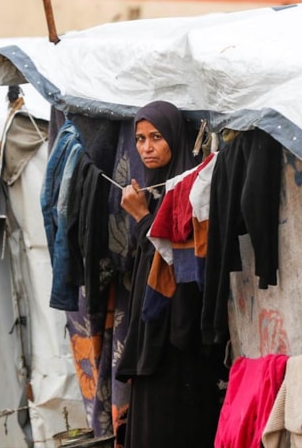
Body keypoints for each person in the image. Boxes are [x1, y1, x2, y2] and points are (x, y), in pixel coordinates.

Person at [116, 100, 226, 447]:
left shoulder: (190, 194)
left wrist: (143, 220)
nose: (146, 148)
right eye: (140, 139)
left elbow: (183, 269)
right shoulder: (153, 192)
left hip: (180, 348)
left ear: (175, 139)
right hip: (153, 347)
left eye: (156, 137)